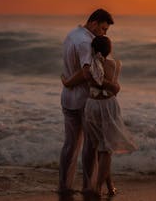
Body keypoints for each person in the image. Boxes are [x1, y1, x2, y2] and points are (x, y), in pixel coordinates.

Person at [62, 35, 137, 196]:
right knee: (106, 149)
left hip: (91, 105)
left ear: (93, 49)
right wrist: (115, 86)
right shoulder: (116, 64)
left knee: (98, 147)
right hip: (108, 105)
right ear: (110, 49)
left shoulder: (90, 67)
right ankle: (95, 188)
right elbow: (113, 87)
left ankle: (109, 186)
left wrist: (66, 81)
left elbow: (79, 79)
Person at [58, 8, 118, 194]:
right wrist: (112, 86)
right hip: (85, 100)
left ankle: (64, 186)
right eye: (102, 29)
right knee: (90, 146)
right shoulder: (87, 42)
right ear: (93, 23)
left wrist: (67, 83)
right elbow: (87, 72)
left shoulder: (72, 34)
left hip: (68, 99)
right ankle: (88, 187)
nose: (103, 33)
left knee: (70, 144)